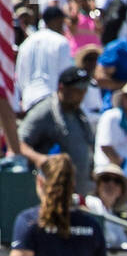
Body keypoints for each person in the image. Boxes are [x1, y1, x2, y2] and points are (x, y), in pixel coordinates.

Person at [20, 64, 96, 194]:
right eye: (78, 89)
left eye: (84, 89)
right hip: (51, 190)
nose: (82, 94)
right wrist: (39, 159)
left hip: (78, 192)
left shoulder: (79, 114)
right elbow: (18, 142)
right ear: (62, 87)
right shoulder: (45, 111)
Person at [15, 3, 73, 110]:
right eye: (62, 22)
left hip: (29, 101)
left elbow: (20, 76)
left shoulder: (26, 43)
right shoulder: (61, 42)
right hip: (51, 101)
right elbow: (66, 75)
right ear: (57, 20)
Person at [93, 78, 127, 170]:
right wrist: (123, 167)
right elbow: (105, 146)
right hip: (108, 170)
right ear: (122, 98)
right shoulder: (111, 116)